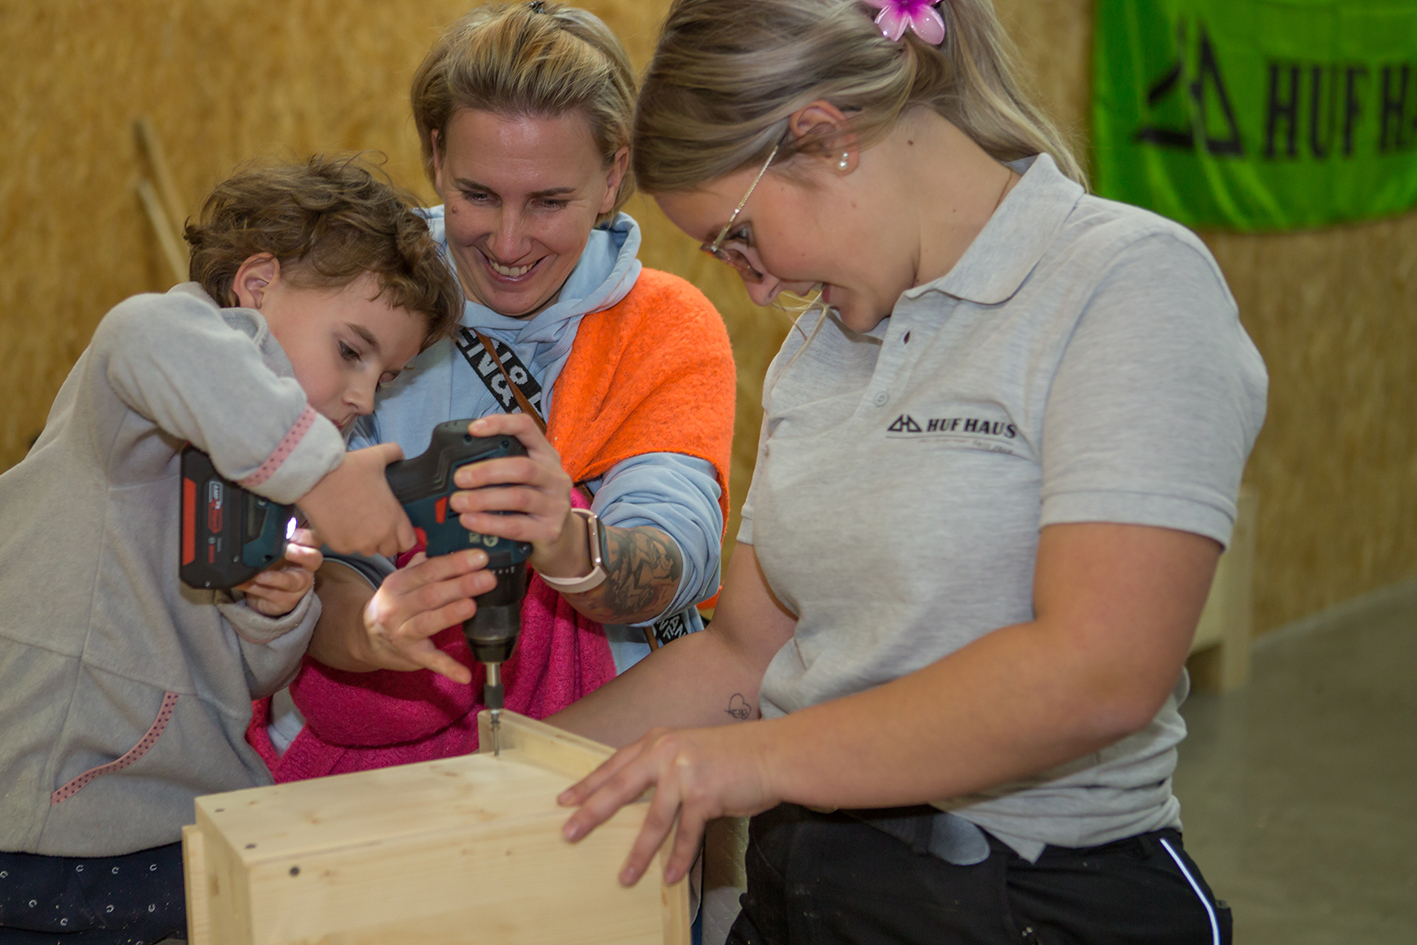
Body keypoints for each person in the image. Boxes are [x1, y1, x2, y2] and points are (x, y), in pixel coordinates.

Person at [552, 1, 1268, 943]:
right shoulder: (820, 347)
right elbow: (746, 655)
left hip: (1032, 899)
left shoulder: (1125, 284)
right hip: (809, 888)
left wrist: (759, 761)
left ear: (824, 138)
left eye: (739, 235)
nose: (754, 284)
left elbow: (1100, 669)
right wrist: (506, 766)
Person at [246, 1, 735, 781]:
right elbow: (306, 564)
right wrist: (370, 629)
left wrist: (568, 541)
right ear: (436, 157)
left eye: (547, 202)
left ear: (613, 175)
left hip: (597, 748)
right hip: (365, 762)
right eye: (478, 195)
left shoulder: (665, 327)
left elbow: (677, 557)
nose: (507, 244)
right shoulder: (353, 302)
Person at [0, 155, 461, 941]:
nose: (362, 397)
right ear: (255, 287)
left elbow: (250, 678)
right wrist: (319, 472)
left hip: (165, 831)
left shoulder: (270, 474)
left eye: (385, 377)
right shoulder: (150, 396)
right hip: (47, 827)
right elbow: (142, 332)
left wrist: (273, 614)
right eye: (352, 350)